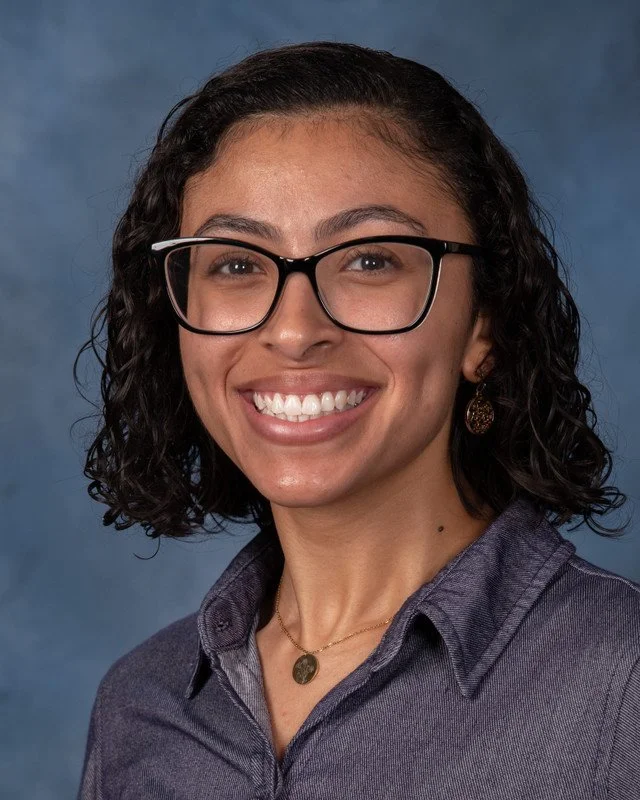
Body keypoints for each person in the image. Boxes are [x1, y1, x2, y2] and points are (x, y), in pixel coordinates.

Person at [74, 41, 639, 798]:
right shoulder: (140, 706)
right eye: (236, 264)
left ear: (484, 326)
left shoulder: (622, 680)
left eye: (370, 259)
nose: (294, 329)